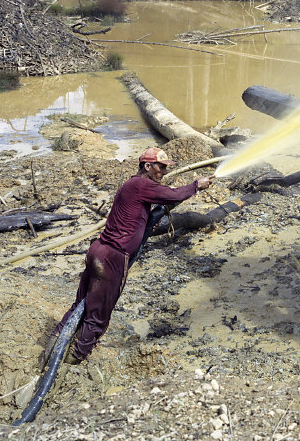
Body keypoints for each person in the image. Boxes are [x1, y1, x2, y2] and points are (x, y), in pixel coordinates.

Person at [51, 147, 213, 363]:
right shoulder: (142, 184)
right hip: (112, 258)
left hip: (98, 250)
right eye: (161, 167)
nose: (163, 172)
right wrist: (196, 186)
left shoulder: (133, 185)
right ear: (148, 166)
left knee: (81, 303)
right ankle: (73, 361)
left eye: (166, 168)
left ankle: (53, 344)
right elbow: (172, 195)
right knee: (98, 317)